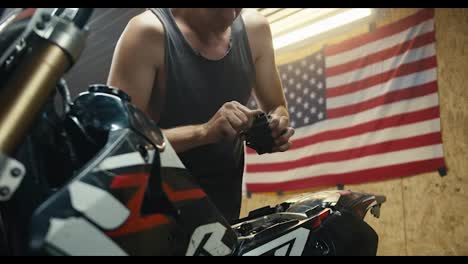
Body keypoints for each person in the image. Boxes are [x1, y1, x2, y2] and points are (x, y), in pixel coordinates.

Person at [107, 8, 294, 224]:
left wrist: (275, 125)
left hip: (224, 202)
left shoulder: (255, 29)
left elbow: (277, 106)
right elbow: (118, 146)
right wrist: (204, 132)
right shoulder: (147, 33)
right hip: (156, 212)